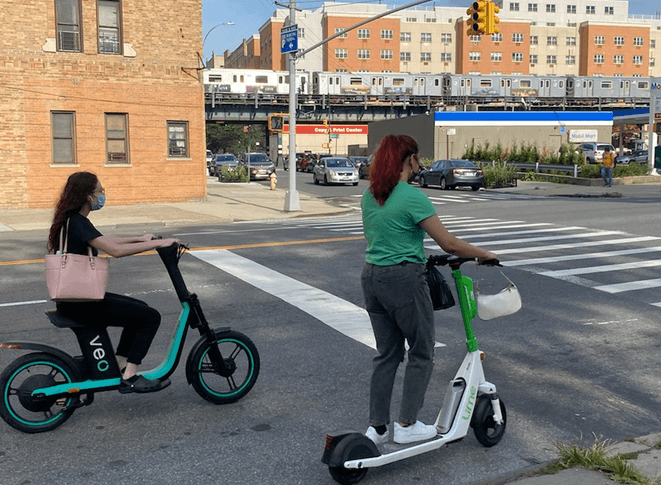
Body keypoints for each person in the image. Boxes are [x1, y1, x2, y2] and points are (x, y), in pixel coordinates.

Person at [360, 135, 497, 445]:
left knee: (387, 355)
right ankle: (407, 425)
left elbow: (383, 237)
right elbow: (448, 243)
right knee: (421, 351)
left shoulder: (370, 195)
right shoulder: (411, 196)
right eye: (417, 158)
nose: (419, 164)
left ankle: (377, 428)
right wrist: (482, 254)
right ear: (409, 160)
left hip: (371, 278)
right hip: (403, 280)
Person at [47, 172, 179, 394]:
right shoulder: (78, 222)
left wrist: (139, 239)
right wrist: (160, 244)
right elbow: (114, 250)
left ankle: (118, 362)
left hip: (74, 301)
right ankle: (131, 375)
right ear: (89, 196)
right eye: (100, 191)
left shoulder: (71, 220)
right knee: (150, 317)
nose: (102, 195)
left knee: (140, 309)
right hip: (82, 304)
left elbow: (105, 241)